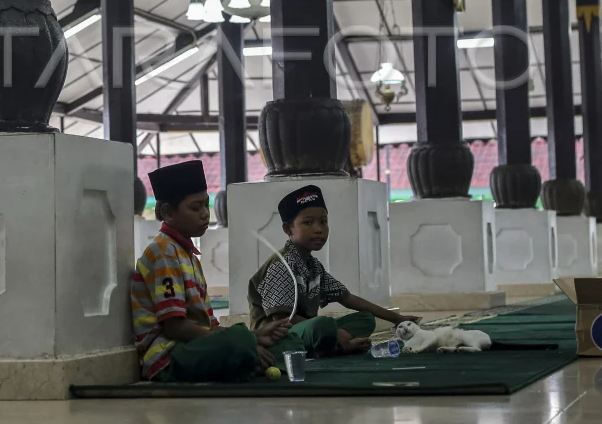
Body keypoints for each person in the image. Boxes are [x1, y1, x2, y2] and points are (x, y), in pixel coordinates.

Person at [131, 160, 290, 382]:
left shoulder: (188, 255)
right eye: (195, 208)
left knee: (285, 342)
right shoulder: (163, 252)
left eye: (206, 205)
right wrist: (244, 340)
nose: (205, 214)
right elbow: (175, 328)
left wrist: (253, 336)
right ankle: (246, 359)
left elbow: (209, 327)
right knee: (240, 342)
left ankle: (247, 359)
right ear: (167, 213)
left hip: (196, 347)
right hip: (169, 357)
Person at [248, 185, 420, 358]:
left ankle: (330, 345)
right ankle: (338, 346)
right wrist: (333, 332)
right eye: (308, 223)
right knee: (323, 325)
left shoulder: (313, 266)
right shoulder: (281, 265)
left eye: (323, 222)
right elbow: (281, 319)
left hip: (309, 331)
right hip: (277, 339)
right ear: (288, 229)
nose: (318, 229)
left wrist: (396, 318)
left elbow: (347, 298)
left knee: (365, 319)